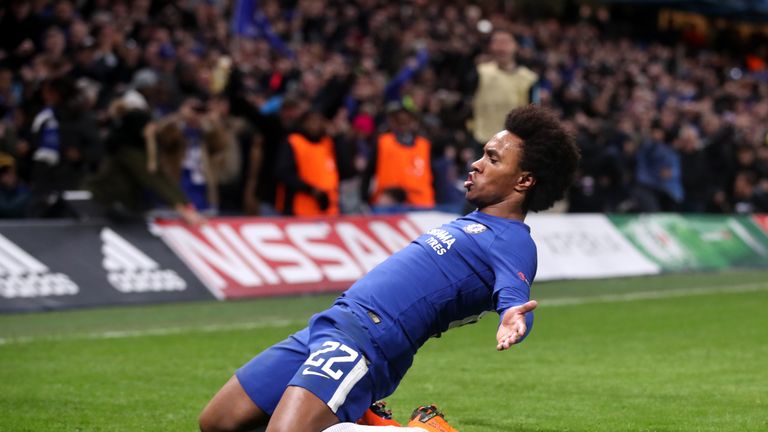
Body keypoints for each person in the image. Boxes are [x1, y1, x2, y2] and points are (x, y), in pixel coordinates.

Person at [199, 105, 579, 432]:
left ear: (524, 180)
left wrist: (514, 317)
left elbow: (514, 299)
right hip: (332, 323)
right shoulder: (472, 221)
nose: (476, 164)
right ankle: (362, 419)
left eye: (493, 159)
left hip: (367, 341)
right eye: (483, 153)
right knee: (217, 422)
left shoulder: (512, 240)